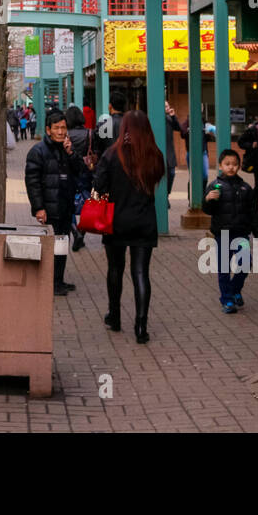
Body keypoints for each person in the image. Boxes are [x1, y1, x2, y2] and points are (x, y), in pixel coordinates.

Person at [93, 109, 165, 343]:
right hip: (144, 221)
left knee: (115, 269)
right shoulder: (153, 155)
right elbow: (157, 180)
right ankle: (141, 326)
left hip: (116, 221)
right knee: (141, 273)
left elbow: (99, 186)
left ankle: (114, 316)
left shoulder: (112, 154)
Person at [24, 108, 83, 296]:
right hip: (50, 208)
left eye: (63, 128)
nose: (61, 132)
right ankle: (49, 282)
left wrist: (72, 154)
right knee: (51, 247)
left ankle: (58, 280)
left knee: (62, 244)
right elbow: (32, 183)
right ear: (48, 130)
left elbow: (81, 172)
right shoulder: (38, 152)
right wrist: (39, 208)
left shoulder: (67, 149)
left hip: (65, 207)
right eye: (56, 128)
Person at [202, 148, 258, 314]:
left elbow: (253, 212)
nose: (231, 167)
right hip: (222, 234)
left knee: (245, 264)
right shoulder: (214, 186)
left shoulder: (246, 188)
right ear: (221, 166)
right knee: (223, 268)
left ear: (239, 166)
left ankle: (235, 290)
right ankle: (227, 300)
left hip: (241, 233)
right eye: (227, 164)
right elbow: (207, 210)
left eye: (235, 164)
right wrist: (208, 199)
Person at [65, 104, 97, 252]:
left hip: (69, 169)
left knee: (68, 202)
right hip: (86, 170)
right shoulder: (90, 133)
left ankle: (74, 230)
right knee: (87, 200)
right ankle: (81, 231)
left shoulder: (66, 134)